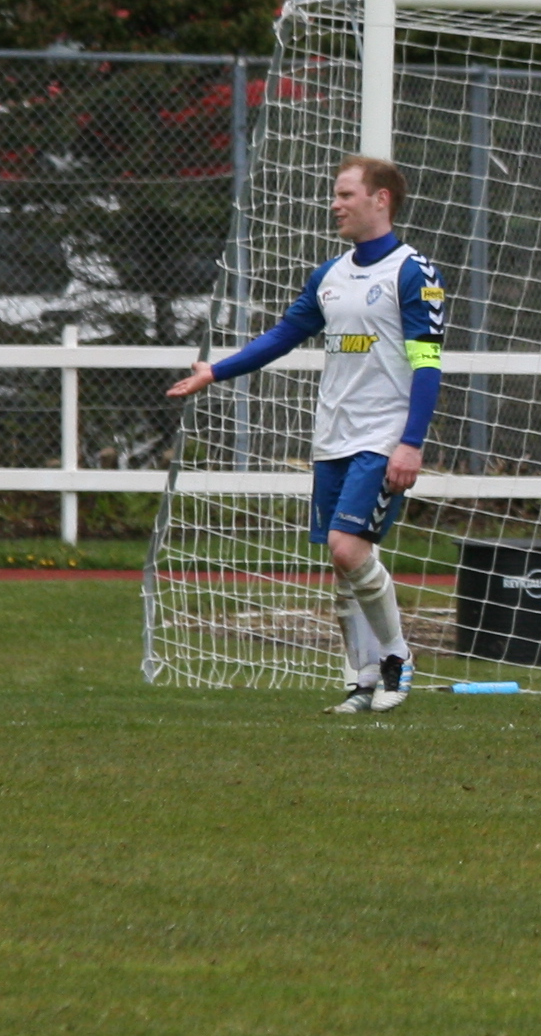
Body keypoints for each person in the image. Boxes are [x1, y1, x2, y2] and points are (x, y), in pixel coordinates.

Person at [164, 155, 445, 714]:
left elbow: (428, 364)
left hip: (382, 437)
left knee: (348, 548)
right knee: (344, 564)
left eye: (346, 194)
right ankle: (362, 681)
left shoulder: (413, 272)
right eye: (335, 195)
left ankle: (396, 655)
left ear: (381, 199)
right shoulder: (330, 275)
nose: (334, 204)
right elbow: (285, 334)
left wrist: (411, 442)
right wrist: (216, 371)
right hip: (333, 437)